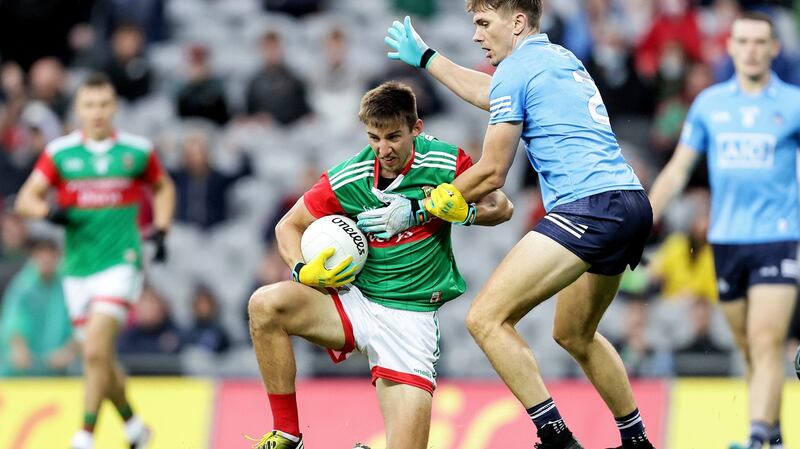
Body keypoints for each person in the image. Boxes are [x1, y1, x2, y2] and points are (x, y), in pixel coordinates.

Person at [365, 2, 655, 448]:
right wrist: (427, 58)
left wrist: (420, 208)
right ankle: (637, 441)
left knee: (486, 319)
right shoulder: (559, 58)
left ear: (517, 22)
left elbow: (492, 172)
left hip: (588, 207)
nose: (477, 35)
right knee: (575, 334)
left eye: (484, 23)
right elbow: (492, 92)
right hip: (631, 202)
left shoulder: (519, 70)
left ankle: (556, 438)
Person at [246, 81, 513, 449]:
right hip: (357, 303)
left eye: (393, 137)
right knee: (264, 305)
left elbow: (502, 207)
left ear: (416, 129)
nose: (382, 149)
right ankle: (287, 434)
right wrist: (300, 269)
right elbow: (287, 225)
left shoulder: (445, 162)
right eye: (374, 137)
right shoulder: (349, 177)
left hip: (411, 319)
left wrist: (464, 212)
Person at [649, 12, 799, 449]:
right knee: (751, 350)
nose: (751, 49)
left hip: (778, 236)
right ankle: (774, 435)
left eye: (760, 42)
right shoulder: (710, 105)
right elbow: (678, 167)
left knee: (766, 340)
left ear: (774, 48)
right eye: (743, 41)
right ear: (730, 47)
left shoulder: (792, 104)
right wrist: (647, 217)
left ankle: (754, 439)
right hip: (727, 241)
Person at [14, 72, 175, 449]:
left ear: (115, 106)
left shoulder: (136, 151)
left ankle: (84, 435)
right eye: (89, 105)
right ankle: (134, 427)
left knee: (92, 351)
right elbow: (26, 199)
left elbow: (163, 185)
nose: (97, 112)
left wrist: (162, 228)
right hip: (77, 270)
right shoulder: (61, 154)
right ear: (78, 109)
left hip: (121, 263)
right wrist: (48, 213)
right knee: (100, 359)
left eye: (104, 104)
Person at [0, 238, 76, 377]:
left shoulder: (69, 284)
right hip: (24, 367)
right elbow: (13, 322)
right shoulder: (22, 286)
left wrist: (69, 350)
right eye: (41, 255)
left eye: (50, 255)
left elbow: (82, 324)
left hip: (64, 367)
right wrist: (19, 348)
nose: (46, 260)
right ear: (33, 258)